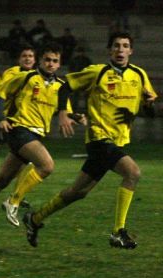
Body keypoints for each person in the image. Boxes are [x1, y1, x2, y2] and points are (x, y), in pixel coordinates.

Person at [23, 32, 157, 249]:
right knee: (132, 173)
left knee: (78, 192)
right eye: (116, 46)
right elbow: (65, 86)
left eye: (125, 46)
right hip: (99, 139)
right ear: (110, 50)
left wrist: (149, 105)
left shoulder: (139, 75)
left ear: (131, 51)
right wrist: (64, 113)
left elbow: (149, 112)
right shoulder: (97, 72)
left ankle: (35, 218)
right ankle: (118, 232)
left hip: (118, 141)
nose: (120, 49)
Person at [0, 42, 79, 236]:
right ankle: (13, 201)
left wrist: (76, 117)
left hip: (35, 134)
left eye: (55, 61)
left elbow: (65, 110)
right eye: (47, 60)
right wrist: (0, 118)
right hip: (20, 129)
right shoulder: (26, 77)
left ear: (59, 64)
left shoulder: (60, 87)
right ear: (40, 61)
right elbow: (0, 94)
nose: (50, 64)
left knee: (1, 180)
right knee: (47, 166)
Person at [0, 46, 36, 166]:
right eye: (24, 56)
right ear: (19, 59)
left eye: (30, 56)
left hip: (21, 122)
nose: (27, 59)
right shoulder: (12, 72)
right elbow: (2, 92)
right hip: (2, 119)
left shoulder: (37, 76)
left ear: (35, 60)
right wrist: (1, 117)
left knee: (23, 159)